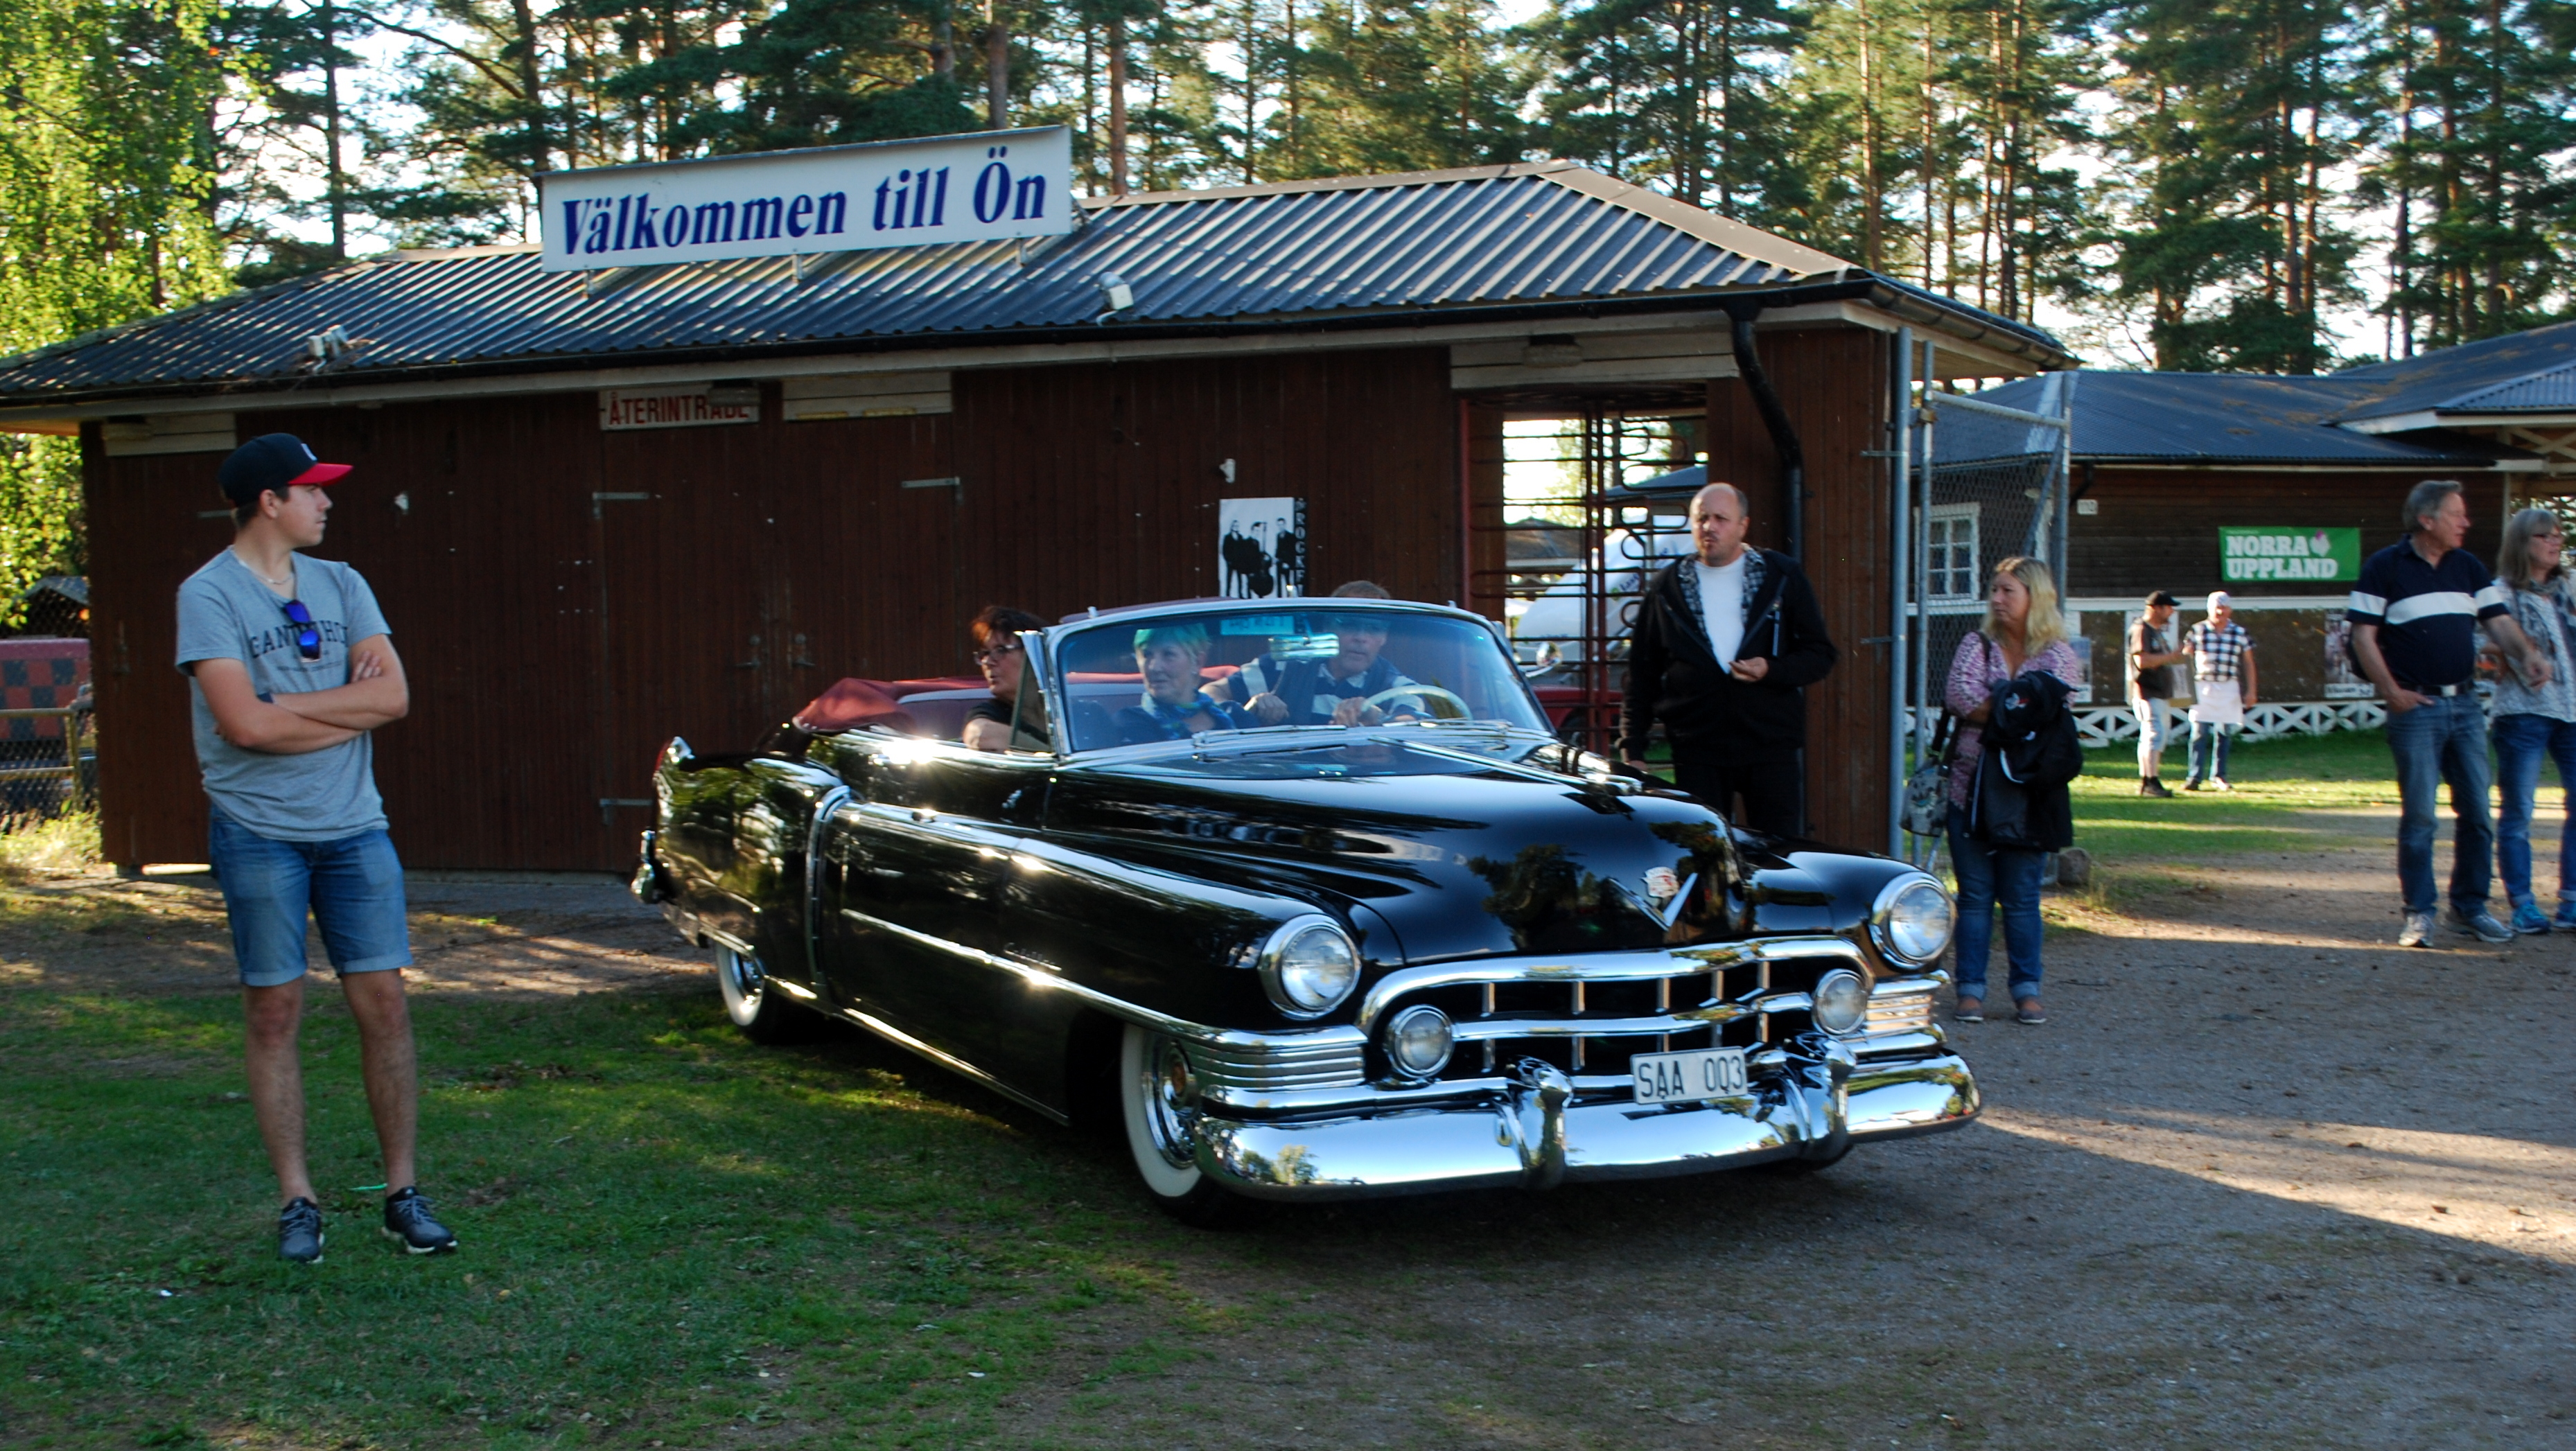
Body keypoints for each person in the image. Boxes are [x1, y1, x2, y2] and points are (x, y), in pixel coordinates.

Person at [177, 433, 453, 1263]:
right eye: (313, 489)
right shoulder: (208, 594)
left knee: (386, 1005)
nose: (327, 502)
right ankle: (298, 1202)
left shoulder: (344, 583)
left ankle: (402, 1195)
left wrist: (289, 711)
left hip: (355, 829)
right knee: (274, 1011)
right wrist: (342, 709)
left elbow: (394, 699)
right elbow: (242, 726)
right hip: (257, 831)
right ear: (270, 501)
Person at [2349, 478, 2552, 947]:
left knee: (2478, 811)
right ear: (2427, 520)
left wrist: (2527, 654)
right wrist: (2391, 692)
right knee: (2421, 816)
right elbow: (2362, 636)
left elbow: (2499, 622)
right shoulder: (2385, 567)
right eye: (2457, 514)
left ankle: (2469, 908)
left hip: (2464, 705)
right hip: (2415, 708)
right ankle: (2419, 913)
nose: (2466, 523)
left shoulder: (2467, 567)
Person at [1616, 482, 1838, 836]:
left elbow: (1820, 654)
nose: (1710, 527)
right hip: (1697, 748)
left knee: (1780, 851)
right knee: (1704, 851)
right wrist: (1633, 750)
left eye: (1721, 518)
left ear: (1743, 526)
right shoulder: (1667, 588)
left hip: (1769, 746)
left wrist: (1771, 670)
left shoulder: (1781, 576)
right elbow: (1642, 676)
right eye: (1702, 518)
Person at [1943, 556, 2082, 1027]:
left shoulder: (2058, 654)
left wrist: (2000, 705)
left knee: (2021, 898)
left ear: (2034, 598)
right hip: (1968, 792)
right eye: (1995, 590)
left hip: (2029, 798)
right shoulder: (1976, 644)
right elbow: (1960, 697)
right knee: (1974, 895)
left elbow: (2055, 704)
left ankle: (2027, 990)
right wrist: (2019, 705)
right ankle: (1970, 990)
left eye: (2008, 591)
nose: (1997, 599)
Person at [2488, 507, 2576, 934]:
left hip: (2572, 709)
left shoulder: (2567, 590)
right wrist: (2505, 653)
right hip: (2523, 710)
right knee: (2519, 809)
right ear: (2522, 543)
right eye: (2545, 535)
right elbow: (2480, 641)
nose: (2556, 542)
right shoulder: (2500, 593)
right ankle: (2522, 904)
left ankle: (2572, 900)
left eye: (2558, 535)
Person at [1209, 581, 1426, 726]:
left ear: (1384, 637)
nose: (1361, 637)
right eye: (1349, 624)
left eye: (1374, 628)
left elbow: (1413, 726)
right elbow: (1209, 693)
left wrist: (1376, 718)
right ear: (1328, 627)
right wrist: (1248, 711)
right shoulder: (1283, 667)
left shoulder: (1396, 686)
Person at [1114, 624, 1251, 744]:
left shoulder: (1234, 715)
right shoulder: (1132, 720)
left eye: (1168, 654)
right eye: (1147, 655)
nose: (1154, 667)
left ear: (1197, 662)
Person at [2180, 591, 2259, 791]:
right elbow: (2185, 659)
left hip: (2228, 685)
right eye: (2216, 608)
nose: (2220, 612)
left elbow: (2249, 663)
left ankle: (2219, 776)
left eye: (2224, 608)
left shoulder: (2239, 632)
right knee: (2198, 732)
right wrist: (2184, 688)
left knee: (2224, 732)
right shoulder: (2197, 630)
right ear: (2209, 609)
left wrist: (2251, 691)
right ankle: (2194, 777)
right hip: (2203, 685)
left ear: (2230, 610)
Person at [962, 605, 1046, 751]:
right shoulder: (990, 712)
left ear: (1033, 654)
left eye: (1001, 650)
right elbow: (981, 735)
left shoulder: (1075, 711)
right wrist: (1050, 756)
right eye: (985, 653)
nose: (987, 662)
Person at [2128, 591, 2188, 796]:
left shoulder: (2156, 632)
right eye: (2169, 608)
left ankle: (2149, 780)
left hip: (2159, 692)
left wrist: (2174, 657)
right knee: (2155, 736)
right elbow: (2141, 661)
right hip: (2148, 691)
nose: (2171, 612)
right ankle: (2150, 781)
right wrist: (2171, 657)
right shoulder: (2142, 629)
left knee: (2152, 737)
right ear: (2156, 608)